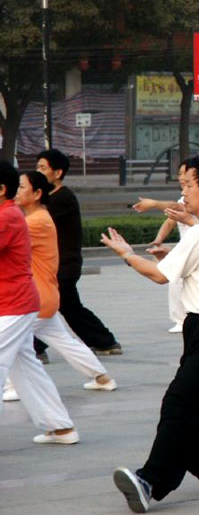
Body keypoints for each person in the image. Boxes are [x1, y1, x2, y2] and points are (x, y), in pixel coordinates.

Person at [102, 156, 199, 512]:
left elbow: (158, 275)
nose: (182, 193)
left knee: (179, 406)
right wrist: (182, 240)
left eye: (187, 186)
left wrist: (125, 253)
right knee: (195, 413)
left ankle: (150, 481)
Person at [4, 172, 117, 401]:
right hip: (45, 294)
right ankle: (102, 377)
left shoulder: (33, 222)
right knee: (62, 340)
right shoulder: (38, 218)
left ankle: (14, 387)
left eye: (21, 187)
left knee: (13, 344)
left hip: (35, 296)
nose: (16, 192)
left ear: (37, 194)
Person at [0, 161, 79, 445]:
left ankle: (60, 426)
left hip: (15, 304)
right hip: (13, 304)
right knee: (25, 367)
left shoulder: (8, 216)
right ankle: (61, 427)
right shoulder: (8, 213)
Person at [36, 149, 122, 355]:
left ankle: (104, 342)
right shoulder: (49, 198)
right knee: (64, 307)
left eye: (42, 168)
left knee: (58, 307)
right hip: (55, 265)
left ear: (57, 173)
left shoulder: (61, 198)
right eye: (37, 167)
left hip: (65, 265)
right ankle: (104, 342)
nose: (38, 172)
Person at [132, 160, 193, 334]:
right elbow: (170, 220)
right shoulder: (184, 198)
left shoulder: (195, 200)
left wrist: (154, 204)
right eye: (179, 174)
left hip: (196, 248)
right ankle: (181, 319)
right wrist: (158, 240)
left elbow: (176, 207)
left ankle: (186, 318)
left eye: (185, 174)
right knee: (175, 282)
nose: (181, 178)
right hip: (184, 248)